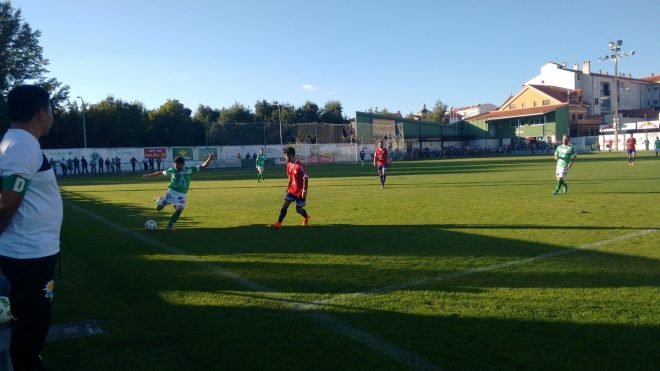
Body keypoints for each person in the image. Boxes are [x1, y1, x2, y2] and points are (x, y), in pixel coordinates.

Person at [0, 85, 62, 370]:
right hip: (29, 256)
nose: (52, 115)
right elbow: (7, 202)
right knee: (30, 329)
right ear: (41, 113)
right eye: (51, 109)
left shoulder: (16, 142)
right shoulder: (23, 144)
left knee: (29, 325)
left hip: (31, 252)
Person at [143, 154, 215, 232]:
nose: (176, 167)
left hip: (181, 195)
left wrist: (209, 158)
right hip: (170, 193)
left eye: (177, 166)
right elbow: (161, 173)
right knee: (158, 209)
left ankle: (170, 226)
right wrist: (150, 175)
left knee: (180, 208)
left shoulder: (189, 170)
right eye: (175, 165)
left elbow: (203, 166)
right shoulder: (172, 170)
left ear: (182, 164)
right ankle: (159, 200)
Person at [270, 147, 310, 229]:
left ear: (291, 155)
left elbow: (305, 180)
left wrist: (304, 193)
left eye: (285, 155)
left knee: (298, 210)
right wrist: (288, 188)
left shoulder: (300, 166)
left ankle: (306, 217)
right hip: (291, 190)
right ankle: (279, 223)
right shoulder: (288, 164)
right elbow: (290, 177)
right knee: (285, 206)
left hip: (299, 192)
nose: (284, 157)